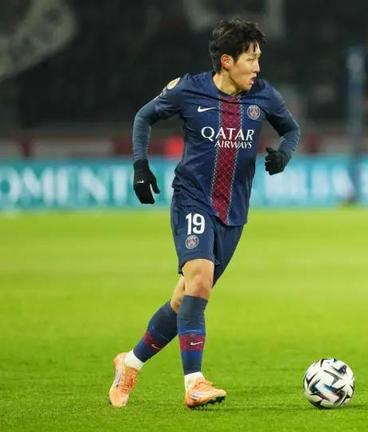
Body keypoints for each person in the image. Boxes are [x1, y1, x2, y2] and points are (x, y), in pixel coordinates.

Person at [108, 19, 300, 409]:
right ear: (227, 61)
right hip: (192, 200)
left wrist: (284, 154)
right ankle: (194, 383)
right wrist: (140, 165)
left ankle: (129, 363)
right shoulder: (189, 89)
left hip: (234, 212)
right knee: (199, 282)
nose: (258, 67)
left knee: (186, 297)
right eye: (251, 59)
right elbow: (144, 117)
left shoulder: (263, 95)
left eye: (259, 58)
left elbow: (291, 129)